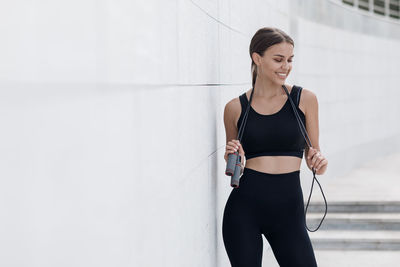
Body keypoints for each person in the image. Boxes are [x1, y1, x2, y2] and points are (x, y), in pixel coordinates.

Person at [222, 27, 328, 267]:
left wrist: (319, 162)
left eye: (290, 60)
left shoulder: (305, 100)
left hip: (289, 213)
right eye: (278, 59)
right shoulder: (235, 108)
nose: (286, 67)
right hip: (244, 210)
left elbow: (315, 158)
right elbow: (233, 168)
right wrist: (232, 155)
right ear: (256, 58)